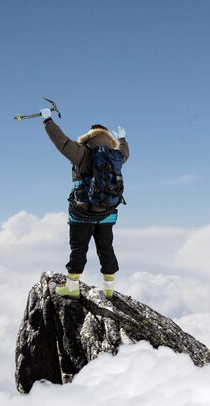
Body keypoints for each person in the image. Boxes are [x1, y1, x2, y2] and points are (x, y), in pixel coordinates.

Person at [39, 108, 129, 299]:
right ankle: (109, 289)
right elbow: (124, 151)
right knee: (106, 248)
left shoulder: (82, 152)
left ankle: (72, 287)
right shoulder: (116, 156)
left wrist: (48, 120)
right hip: (107, 213)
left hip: (82, 212)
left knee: (79, 248)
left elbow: (60, 141)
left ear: (90, 136)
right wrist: (122, 139)